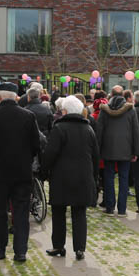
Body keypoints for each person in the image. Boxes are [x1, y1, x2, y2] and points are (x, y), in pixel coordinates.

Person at [0, 82, 41, 261]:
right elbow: (36, 144)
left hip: (0, 171)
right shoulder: (28, 116)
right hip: (22, 171)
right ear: (16, 97)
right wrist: (27, 160)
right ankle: (20, 251)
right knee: (21, 211)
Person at [42, 96, 100, 260]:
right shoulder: (88, 129)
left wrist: (44, 172)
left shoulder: (59, 128)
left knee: (59, 212)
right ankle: (79, 248)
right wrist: (95, 177)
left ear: (65, 111)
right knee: (79, 213)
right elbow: (96, 156)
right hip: (83, 176)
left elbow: (50, 153)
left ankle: (58, 246)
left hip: (61, 177)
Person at [96, 90, 139, 215]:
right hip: (126, 149)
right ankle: (122, 209)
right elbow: (135, 131)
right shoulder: (130, 110)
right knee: (123, 179)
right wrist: (135, 151)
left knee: (108, 178)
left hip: (108, 149)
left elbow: (99, 131)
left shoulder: (104, 110)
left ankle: (109, 207)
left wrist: (98, 149)